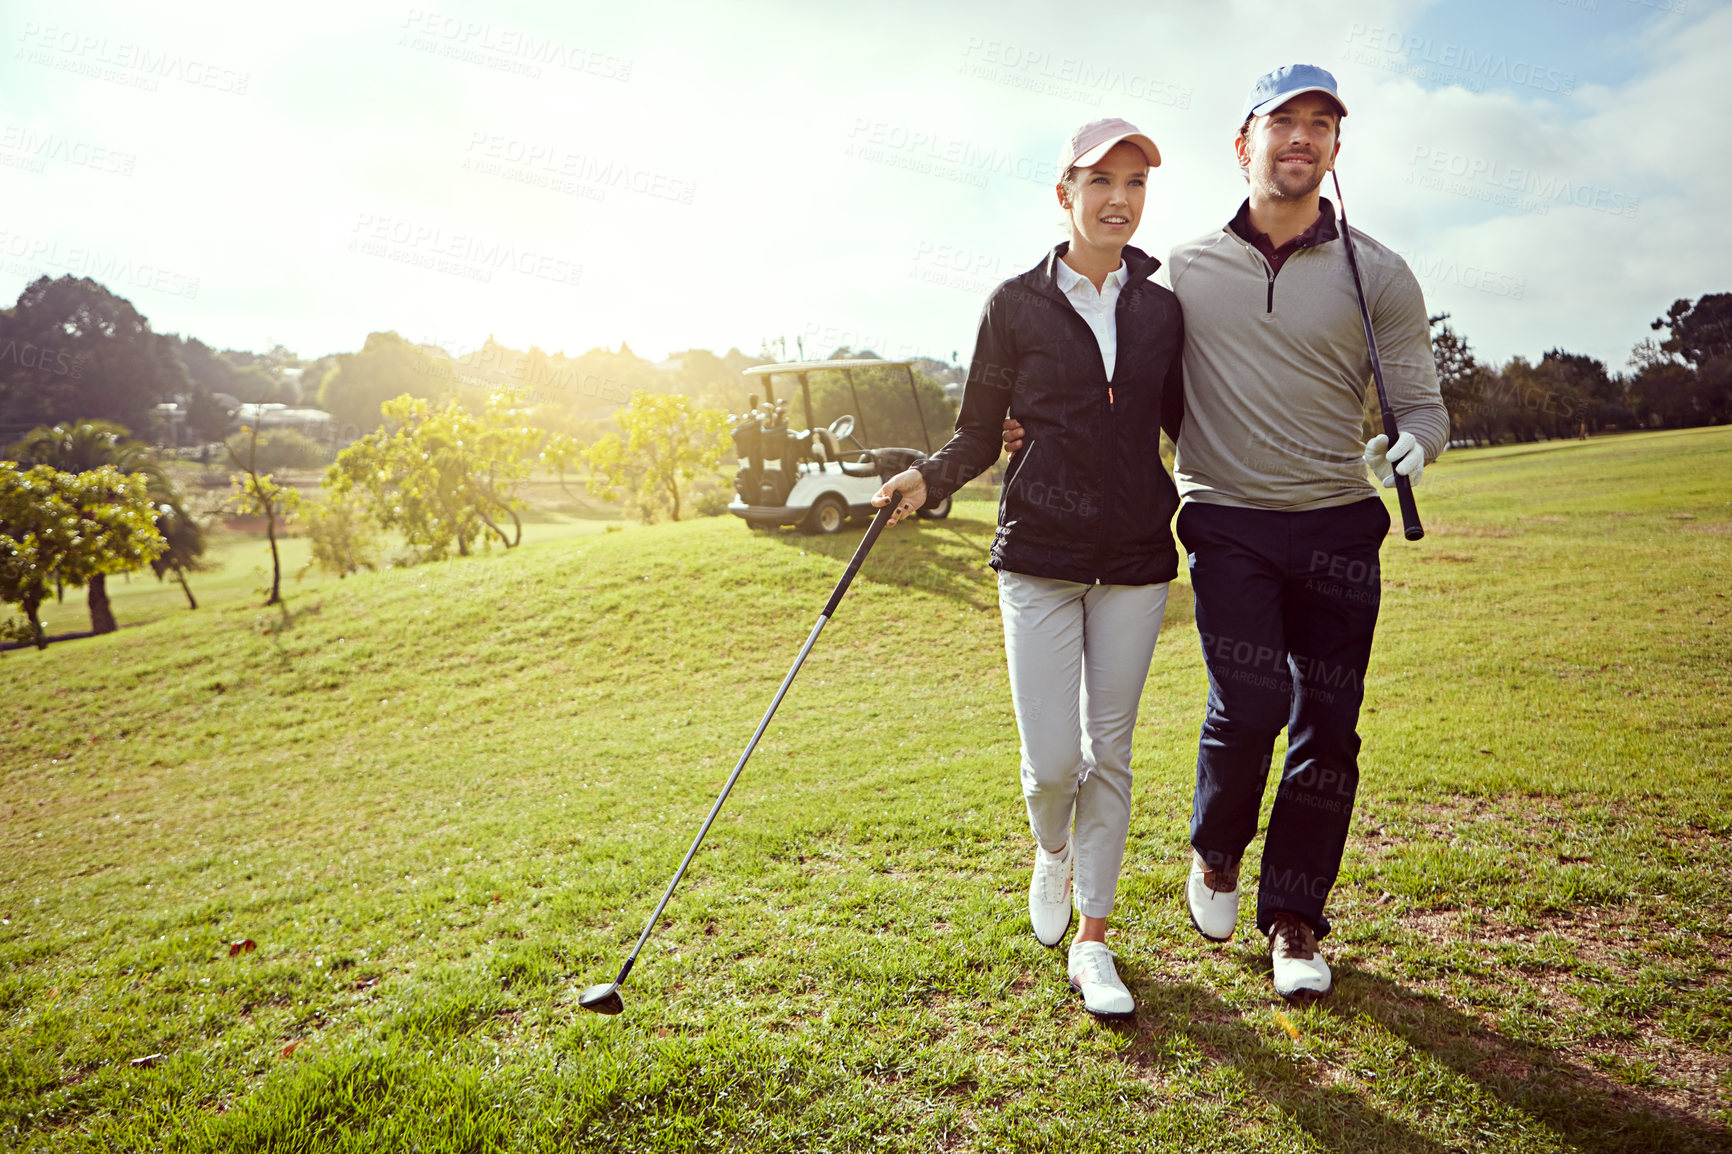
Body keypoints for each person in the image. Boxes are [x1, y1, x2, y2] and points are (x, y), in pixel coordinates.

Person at [1004, 65, 1448, 1001]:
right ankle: (1215, 855)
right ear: (1243, 145)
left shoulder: (1383, 274)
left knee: (1328, 725)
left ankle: (1295, 919)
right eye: (1282, 122)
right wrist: (1029, 418)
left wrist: (1415, 443)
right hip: (1228, 522)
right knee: (1248, 707)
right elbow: (1123, 379)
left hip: (1338, 522)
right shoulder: (1185, 274)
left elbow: (1422, 401)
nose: (1302, 138)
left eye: (1321, 125)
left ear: (1334, 150)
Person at [871, 117, 1184, 1018]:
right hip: (1040, 554)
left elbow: (1185, 420)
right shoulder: (1013, 304)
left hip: (1134, 557)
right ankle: (1051, 850)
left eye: (1134, 184)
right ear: (1064, 195)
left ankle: (1095, 939)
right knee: (1053, 766)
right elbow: (978, 429)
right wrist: (929, 479)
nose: (1119, 199)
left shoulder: (1163, 308)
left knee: (1111, 752)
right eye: (1100, 183)